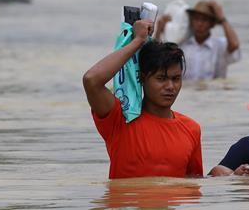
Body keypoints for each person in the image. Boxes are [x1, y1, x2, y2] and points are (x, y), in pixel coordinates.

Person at [83, 19, 203, 179]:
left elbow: (193, 183)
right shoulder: (121, 118)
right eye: (161, 78)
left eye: (176, 79)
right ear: (142, 78)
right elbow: (91, 80)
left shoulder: (191, 129)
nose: (170, 86)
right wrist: (138, 41)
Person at [154, 0, 240, 80]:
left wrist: (222, 19)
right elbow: (158, 58)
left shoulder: (219, 45)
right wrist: (159, 30)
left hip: (213, 92)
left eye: (204, 20)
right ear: (191, 22)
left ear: (212, 24)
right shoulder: (181, 46)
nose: (199, 24)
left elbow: (235, 44)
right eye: (196, 19)